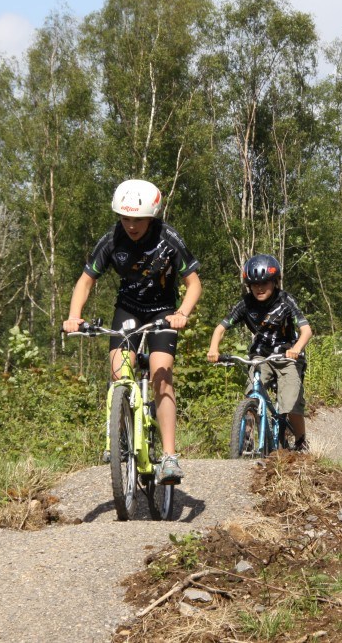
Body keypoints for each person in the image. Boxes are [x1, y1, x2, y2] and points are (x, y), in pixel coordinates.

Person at [62, 179, 201, 484]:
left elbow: (194, 284)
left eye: (137, 219)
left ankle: (168, 456)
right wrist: (74, 316)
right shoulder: (112, 239)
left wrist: (182, 314)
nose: (131, 225)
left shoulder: (168, 238)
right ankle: (118, 439)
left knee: (161, 373)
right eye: (125, 218)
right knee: (117, 370)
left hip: (164, 310)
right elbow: (85, 282)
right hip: (128, 309)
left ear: (150, 217)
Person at [206, 254, 313, 451]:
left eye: (264, 283)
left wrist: (296, 349)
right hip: (260, 355)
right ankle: (245, 440)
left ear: (274, 282)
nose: (259, 288)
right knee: (252, 393)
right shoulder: (246, 303)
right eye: (254, 284)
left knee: (291, 401)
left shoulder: (285, 300)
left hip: (286, 355)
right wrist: (214, 349)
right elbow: (220, 328)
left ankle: (300, 440)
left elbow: (306, 330)